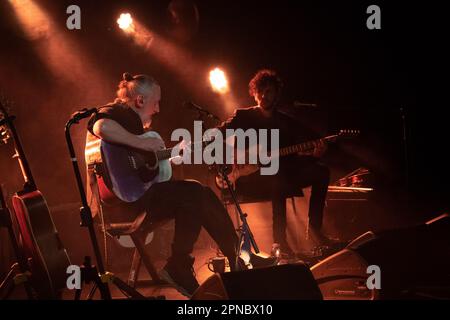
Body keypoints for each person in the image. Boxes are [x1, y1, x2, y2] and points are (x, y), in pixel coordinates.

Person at [85, 72, 245, 297]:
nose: (158, 109)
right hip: (120, 204)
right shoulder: (118, 112)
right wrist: (141, 142)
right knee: (194, 193)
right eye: (156, 102)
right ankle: (189, 264)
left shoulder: (133, 126)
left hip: (134, 196)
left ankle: (234, 257)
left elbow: (150, 174)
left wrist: (168, 156)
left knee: (201, 194)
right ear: (140, 100)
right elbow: (100, 127)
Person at [218, 69, 336, 257]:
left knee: (321, 172)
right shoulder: (243, 116)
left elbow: (292, 158)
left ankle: (315, 230)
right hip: (250, 179)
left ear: (276, 95)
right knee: (278, 177)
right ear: (254, 93)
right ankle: (279, 241)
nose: (264, 95)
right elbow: (217, 135)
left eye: (269, 91)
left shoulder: (285, 122)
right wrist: (233, 157)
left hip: (281, 174)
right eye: (261, 91)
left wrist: (314, 155)